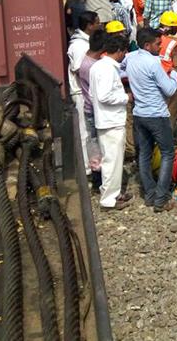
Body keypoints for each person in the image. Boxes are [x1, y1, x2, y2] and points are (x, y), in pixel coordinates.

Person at [124, 28, 177, 212]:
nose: (160, 47)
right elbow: (170, 90)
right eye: (157, 44)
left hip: (140, 114)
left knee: (144, 155)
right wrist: (173, 75)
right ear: (147, 45)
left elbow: (120, 69)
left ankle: (149, 194)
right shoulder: (153, 63)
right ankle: (161, 198)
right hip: (156, 114)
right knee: (168, 153)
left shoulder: (131, 58)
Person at [89, 33, 133, 210]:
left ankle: (113, 193)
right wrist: (126, 97)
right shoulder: (107, 69)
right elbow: (104, 96)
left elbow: (93, 94)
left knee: (111, 160)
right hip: (111, 120)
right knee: (112, 162)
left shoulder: (97, 66)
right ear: (120, 51)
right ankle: (108, 200)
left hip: (105, 119)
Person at [68, 11, 100, 173]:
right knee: (84, 131)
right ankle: (86, 167)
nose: (100, 25)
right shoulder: (79, 45)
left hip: (86, 91)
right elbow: (79, 69)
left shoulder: (85, 41)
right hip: (80, 92)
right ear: (89, 25)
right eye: (97, 23)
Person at [79, 29, 107, 187]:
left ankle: (98, 176)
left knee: (94, 143)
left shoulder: (85, 60)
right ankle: (100, 178)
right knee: (99, 143)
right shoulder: (93, 67)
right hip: (95, 110)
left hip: (89, 107)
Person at [158, 11, 177, 131]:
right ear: (170, 27)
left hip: (156, 81)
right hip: (171, 83)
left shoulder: (154, 39)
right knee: (170, 113)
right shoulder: (173, 44)